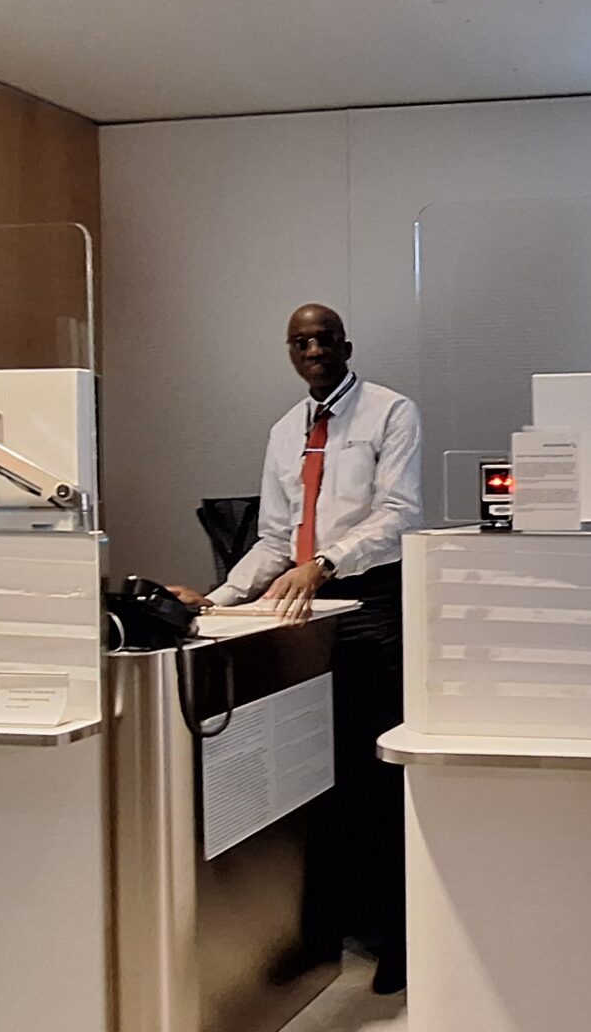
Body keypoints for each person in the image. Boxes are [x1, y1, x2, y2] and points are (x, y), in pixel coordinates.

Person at [170, 303, 421, 996]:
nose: (314, 349)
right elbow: (276, 539)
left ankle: (400, 943)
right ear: (290, 352)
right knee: (313, 777)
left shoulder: (391, 412)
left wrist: (329, 563)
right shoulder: (286, 431)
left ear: (346, 345)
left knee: (376, 779)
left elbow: (399, 512)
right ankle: (327, 932)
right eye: (300, 341)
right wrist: (218, 600)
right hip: (301, 611)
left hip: (368, 605)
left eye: (324, 338)